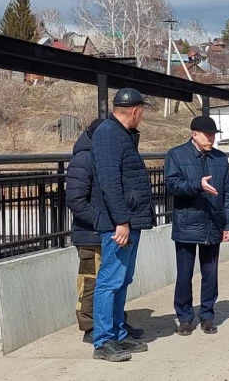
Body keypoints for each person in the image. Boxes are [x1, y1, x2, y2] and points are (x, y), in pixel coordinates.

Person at [90, 88, 155, 362]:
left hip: (128, 220)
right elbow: (110, 183)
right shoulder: (108, 134)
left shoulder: (121, 134)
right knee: (110, 281)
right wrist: (122, 221)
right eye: (142, 111)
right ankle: (103, 340)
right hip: (118, 224)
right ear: (134, 111)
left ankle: (117, 334)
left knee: (122, 279)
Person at [66, 118, 144, 345]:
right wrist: (103, 220)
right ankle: (92, 328)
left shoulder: (105, 156)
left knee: (115, 281)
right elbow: (76, 200)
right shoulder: (84, 159)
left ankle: (112, 326)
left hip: (108, 230)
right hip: (91, 233)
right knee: (92, 282)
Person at [164, 115, 229, 336]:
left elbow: (228, 195)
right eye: (208, 135)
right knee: (184, 274)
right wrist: (198, 185)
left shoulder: (220, 159)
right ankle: (185, 317)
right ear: (194, 134)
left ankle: (207, 315)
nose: (211, 139)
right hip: (187, 223)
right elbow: (172, 185)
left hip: (213, 223)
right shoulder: (176, 155)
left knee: (210, 272)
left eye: (214, 135)